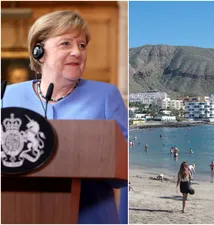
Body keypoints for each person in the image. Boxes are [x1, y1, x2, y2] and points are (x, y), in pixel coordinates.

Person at [2, 11, 128, 224]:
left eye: (82, 45)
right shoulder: (6, 97)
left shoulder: (106, 96)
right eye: (65, 44)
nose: (77, 52)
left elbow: (125, 166)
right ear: (39, 51)